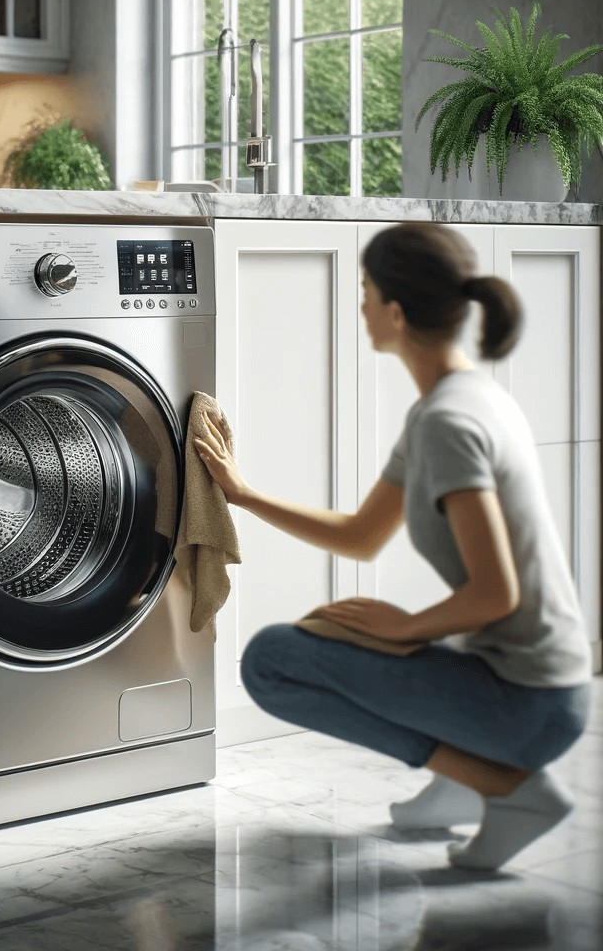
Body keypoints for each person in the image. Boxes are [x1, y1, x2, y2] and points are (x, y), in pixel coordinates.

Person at [194, 222, 594, 871]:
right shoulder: (463, 399)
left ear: (396, 312)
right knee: (331, 632)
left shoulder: (448, 422)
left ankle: (507, 787)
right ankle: (461, 782)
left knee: (272, 660)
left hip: (532, 704)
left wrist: (406, 625)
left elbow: (496, 594)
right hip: (538, 683)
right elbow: (360, 535)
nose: (361, 307)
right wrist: (243, 494)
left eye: (365, 292)